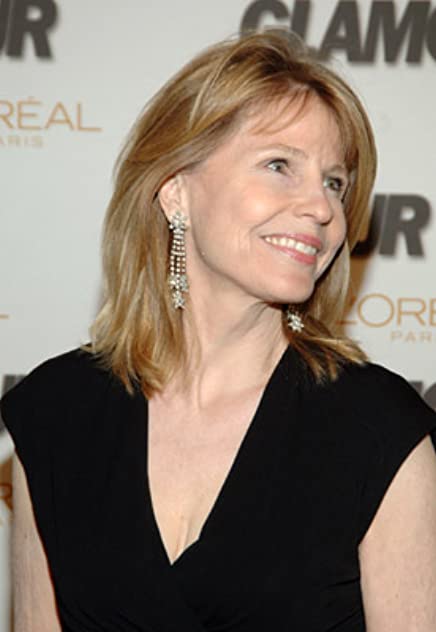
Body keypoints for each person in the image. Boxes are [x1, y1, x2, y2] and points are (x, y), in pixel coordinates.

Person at [1, 30, 436, 632]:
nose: (322, 208)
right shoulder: (55, 414)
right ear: (176, 191)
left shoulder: (380, 430)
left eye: (334, 182)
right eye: (280, 165)